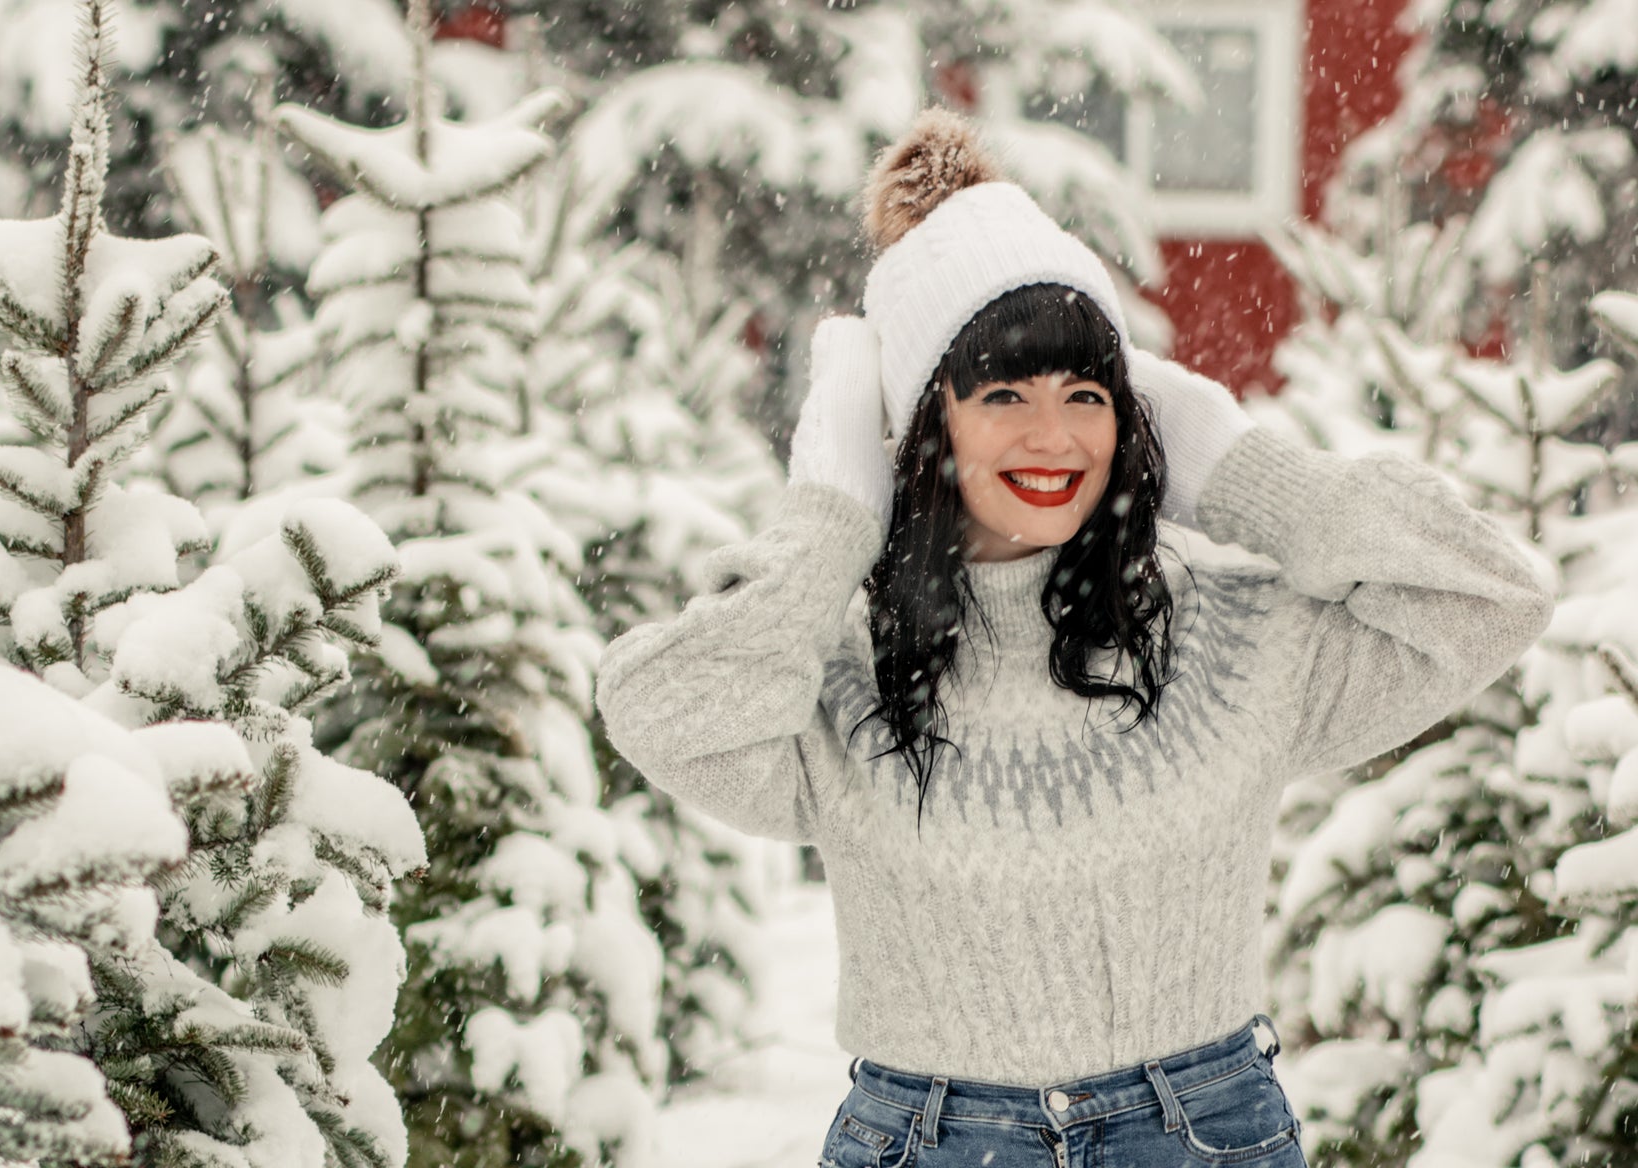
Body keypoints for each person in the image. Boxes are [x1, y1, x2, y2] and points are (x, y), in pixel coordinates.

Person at [595, 108, 1553, 1168]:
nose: (1052, 435)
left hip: (1204, 1132)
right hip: (929, 1140)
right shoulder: (842, 668)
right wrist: (832, 521)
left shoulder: (1231, 636)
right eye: (1003, 392)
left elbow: (1493, 594)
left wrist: (1236, 467)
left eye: (1086, 393)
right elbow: (656, 707)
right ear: (928, 421)